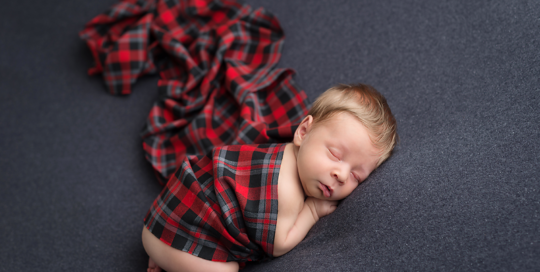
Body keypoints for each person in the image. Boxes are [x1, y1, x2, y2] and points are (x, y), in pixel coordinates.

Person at [142, 83, 398, 272]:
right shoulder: (285, 190)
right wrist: (312, 211)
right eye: (334, 154)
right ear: (304, 132)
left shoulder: (282, 151)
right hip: (178, 233)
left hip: (167, 213)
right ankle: (169, 258)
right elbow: (279, 244)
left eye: (356, 175)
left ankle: (165, 257)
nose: (340, 175)